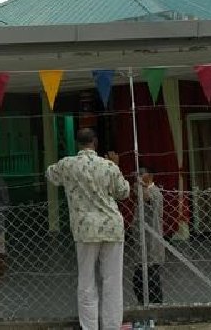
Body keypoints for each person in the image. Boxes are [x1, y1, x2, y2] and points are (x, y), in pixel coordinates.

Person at [46, 128, 130, 330]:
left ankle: (89, 327)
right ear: (95, 142)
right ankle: (111, 326)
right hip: (111, 227)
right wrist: (116, 166)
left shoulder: (67, 164)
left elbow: (50, 174)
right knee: (112, 282)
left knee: (86, 281)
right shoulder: (109, 166)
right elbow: (124, 192)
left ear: (78, 143)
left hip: (85, 229)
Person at [130, 168, 165, 305]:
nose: (137, 178)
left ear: (149, 176)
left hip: (151, 246)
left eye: (141, 174)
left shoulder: (154, 192)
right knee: (139, 281)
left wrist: (142, 188)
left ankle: (156, 307)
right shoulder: (141, 192)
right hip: (142, 245)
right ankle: (143, 305)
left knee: (151, 281)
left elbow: (148, 200)